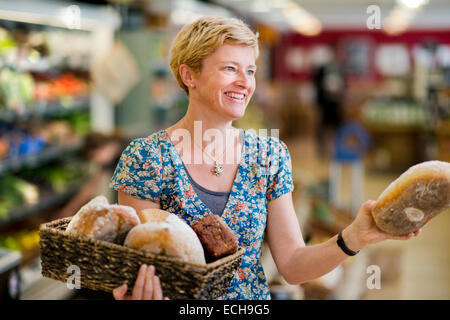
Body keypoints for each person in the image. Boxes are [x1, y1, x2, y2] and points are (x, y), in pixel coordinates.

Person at [109, 16, 420, 300]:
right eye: (230, 68)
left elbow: (294, 266)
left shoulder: (268, 155)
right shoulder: (147, 158)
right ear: (189, 75)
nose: (245, 82)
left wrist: (355, 236)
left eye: (250, 70)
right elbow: (131, 270)